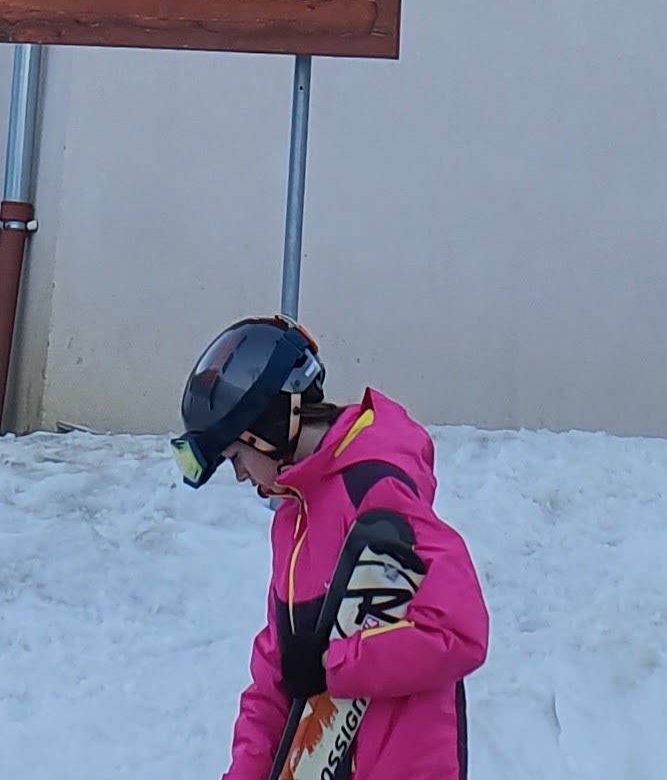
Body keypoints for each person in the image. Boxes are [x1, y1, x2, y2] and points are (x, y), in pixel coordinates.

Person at [176, 317, 488, 780]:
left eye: (237, 457)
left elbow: (458, 632)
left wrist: (332, 664)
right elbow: (278, 668)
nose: (240, 475)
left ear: (270, 428)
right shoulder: (292, 517)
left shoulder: (375, 488)